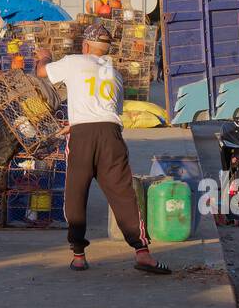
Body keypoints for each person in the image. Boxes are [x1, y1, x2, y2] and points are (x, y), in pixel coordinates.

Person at [38, 23, 170, 275]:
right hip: (111, 135)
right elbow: (107, 111)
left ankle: (78, 255)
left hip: (83, 137)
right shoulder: (115, 73)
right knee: (123, 194)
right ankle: (142, 252)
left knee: (76, 192)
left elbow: (42, 72)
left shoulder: (74, 61)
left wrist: (44, 56)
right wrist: (74, 123)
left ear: (86, 46)